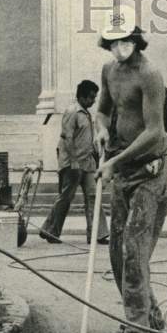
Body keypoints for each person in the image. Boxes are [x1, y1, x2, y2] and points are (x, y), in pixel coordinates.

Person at [93, 5, 167, 333]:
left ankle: (137, 327)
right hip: (122, 170)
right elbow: (102, 109)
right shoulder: (109, 70)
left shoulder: (150, 74)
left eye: (125, 41)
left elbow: (155, 132)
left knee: (134, 249)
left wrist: (114, 161)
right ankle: (149, 315)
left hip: (152, 170)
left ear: (136, 39)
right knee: (117, 252)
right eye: (112, 42)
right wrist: (100, 130)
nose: (118, 49)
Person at [39, 79, 109, 246]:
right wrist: (74, 160)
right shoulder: (72, 112)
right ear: (82, 97)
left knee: (93, 195)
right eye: (91, 97)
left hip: (88, 162)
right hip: (73, 163)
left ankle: (97, 234)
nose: (93, 100)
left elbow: (84, 137)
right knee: (66, 197)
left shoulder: (86, 113)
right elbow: (67, 137)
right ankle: (50, 230)